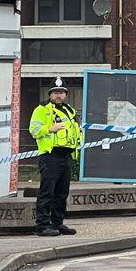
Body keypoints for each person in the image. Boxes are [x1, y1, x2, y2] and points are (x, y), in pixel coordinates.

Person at [29, 77, 82, 236]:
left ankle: (57, 223)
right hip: (50, 156)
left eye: (62, 92)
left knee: (62, 193)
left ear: (65, 94)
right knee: (47, 192)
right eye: (56, 93)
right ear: (50, 94)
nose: (59, 95)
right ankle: (42, 225)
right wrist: (50, 128)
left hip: (66, 156)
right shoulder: (42, 109)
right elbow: (34, 129)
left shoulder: (69, 110)